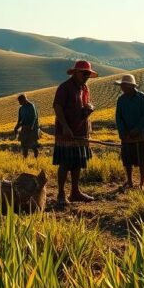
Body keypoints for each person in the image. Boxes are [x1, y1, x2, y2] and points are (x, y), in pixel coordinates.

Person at [52, 60, 98, 205]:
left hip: (80, 131)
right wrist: (65, 126)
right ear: (76, 72)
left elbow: (83, 107)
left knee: (77, 163)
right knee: (65, 163)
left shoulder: (84, 88)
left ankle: (75, 192)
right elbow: (58, 107)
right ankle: (60, 194)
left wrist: (88, 108)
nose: (86, 76)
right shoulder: (64, 88)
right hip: (67, 132)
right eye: (84, 73)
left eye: (88, 74)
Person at [114, 74, 144, 190]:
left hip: (140, 134)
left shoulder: (142, 98)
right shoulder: (121, 100)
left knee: (142, 159)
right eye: (121, 85)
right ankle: (129, 181)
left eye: (124, 85)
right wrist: (123, 132)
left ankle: (142, 182)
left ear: (131, 86)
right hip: (126, 135)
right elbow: (118, 117)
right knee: (127, 160)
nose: (122, 88)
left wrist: (138, 129)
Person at [13, 93, 41, 159]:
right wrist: (16, 127)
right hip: (24, 128)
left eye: (20, 101)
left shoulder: (31, 106)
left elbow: (34, 117)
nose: (19, 103)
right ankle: (25, 158)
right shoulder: (21, 108)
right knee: (24, 145)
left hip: (32, 129)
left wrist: (31, 127)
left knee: (32, 144)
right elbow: (19, 120)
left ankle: (36, 156)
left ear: (24, 99)